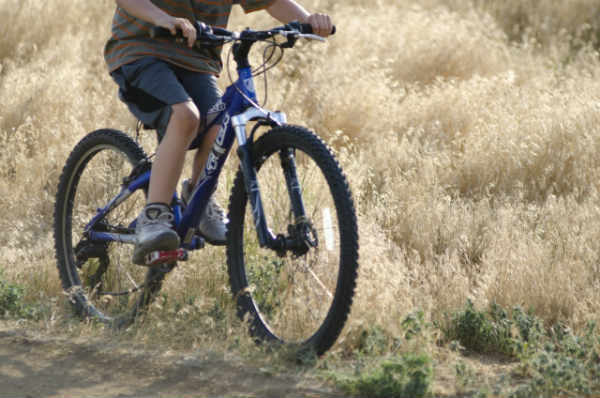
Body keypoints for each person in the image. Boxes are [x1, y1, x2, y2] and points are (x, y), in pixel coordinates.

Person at [105, 0, 333, 265]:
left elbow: (273, 1)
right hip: (142, 51)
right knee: (186, 116)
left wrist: (309, 22)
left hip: (197, 61)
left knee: (221, 123)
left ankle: (198, 199)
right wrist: (164, 20)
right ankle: (154, 216)